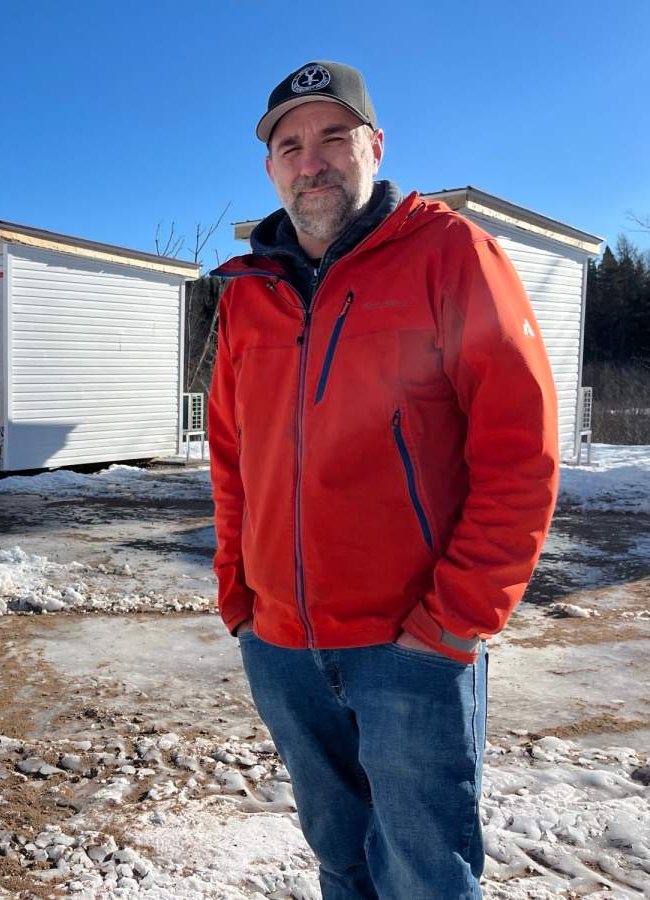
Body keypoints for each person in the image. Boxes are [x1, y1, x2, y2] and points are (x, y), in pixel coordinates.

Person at [208, 60, 559, 899]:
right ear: (270, 168)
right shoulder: (249, 291)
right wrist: (241, 597)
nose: (311, 160)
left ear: (375, 146)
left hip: (409, 644)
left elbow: (519, 452)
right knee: (340, 859)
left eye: (334, 137)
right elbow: (230, 455)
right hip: (283, 645)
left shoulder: (451, 255)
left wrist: (453, 621)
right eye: (290, 146)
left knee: (425, 876)